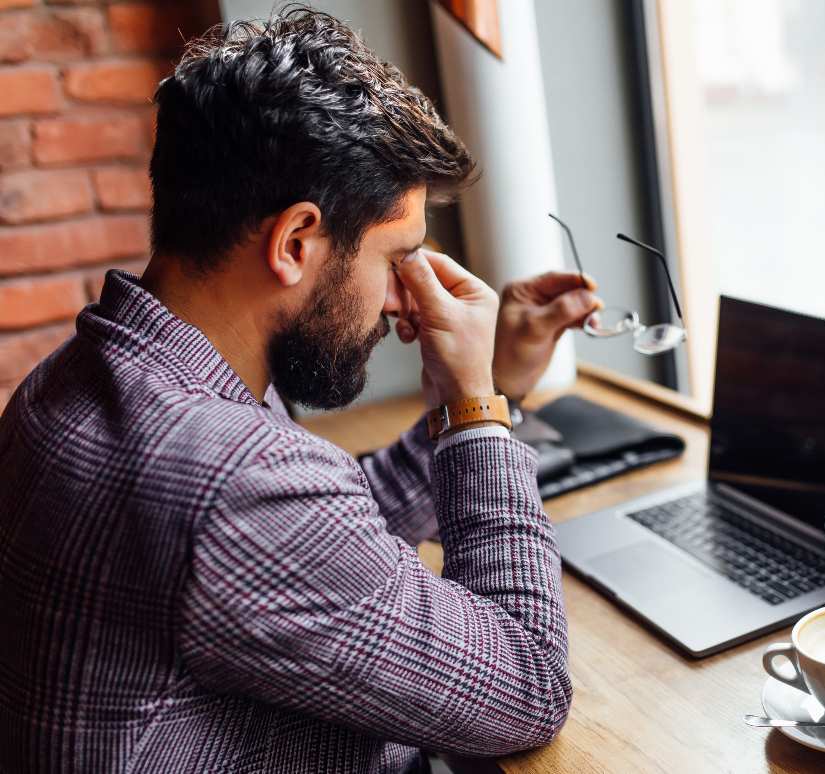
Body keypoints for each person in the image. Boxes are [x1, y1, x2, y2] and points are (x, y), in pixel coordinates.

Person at [0, 7, 603, 773]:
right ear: (293, 243)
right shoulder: (230, 481)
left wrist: (492, 387)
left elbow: (329, 539)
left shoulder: (80, 378)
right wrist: (474, 407)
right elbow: (525, 687)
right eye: (398, 259)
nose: (401, 301)